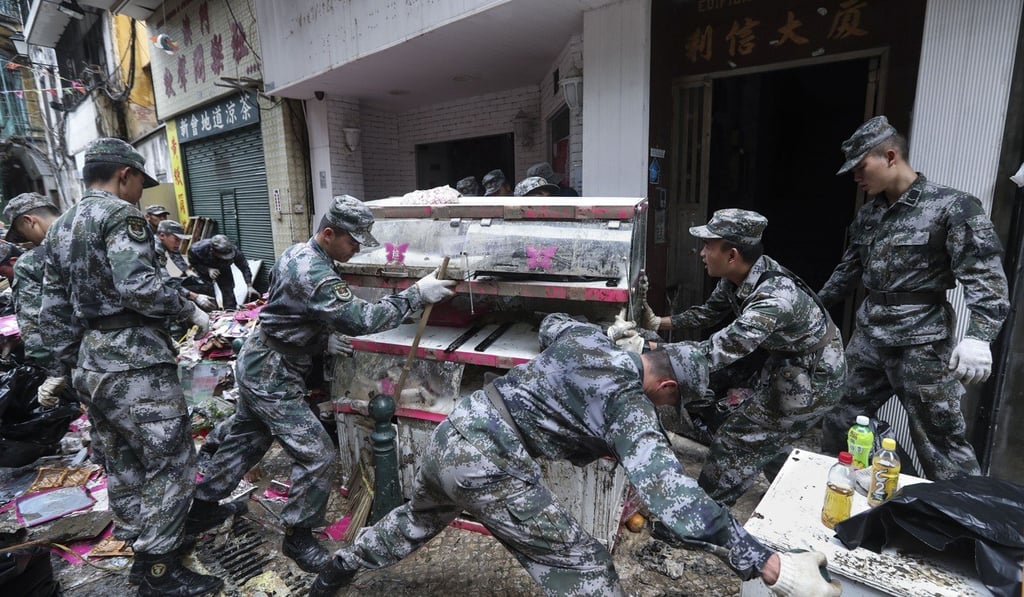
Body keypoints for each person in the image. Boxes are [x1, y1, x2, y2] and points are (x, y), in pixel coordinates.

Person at [310, 312, 840, 597]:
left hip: (455, 434)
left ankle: (340, 568)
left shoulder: (588, 340)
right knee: (586, 566)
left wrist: (615, 335)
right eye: (673, 406)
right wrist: (766, 563)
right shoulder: (631, 408)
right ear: (669, 387)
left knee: (416, 518)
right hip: (491, 464)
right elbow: (674, 497)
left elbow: (552, 323)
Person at [184, 195, 457, 573]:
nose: (358, 248)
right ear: (328, 234)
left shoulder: (299, 253)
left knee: (247, 438)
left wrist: (317, 337)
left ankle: (200, 508)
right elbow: (363, 319)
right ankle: (298, 537)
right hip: (272, 373)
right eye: (352, 241)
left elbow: (288, 310)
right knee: (317, 454)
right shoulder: (314, 272)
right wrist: (415, 294)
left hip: (264, 359)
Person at [38, 138, 215, 595]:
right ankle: (159, 569)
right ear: (123, 174)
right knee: (172, 461)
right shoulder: (121, 215)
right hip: (135, 362)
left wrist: (74, 365)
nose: (141, 192)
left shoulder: (60, 228)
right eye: (140, 181)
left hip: (92, 365)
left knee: (123, 460)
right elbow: (139, 287)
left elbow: (51, 313)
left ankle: (141, 547)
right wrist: (187, 308)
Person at [818, 116, 1009, 480]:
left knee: (940, 442)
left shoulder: (952, 207)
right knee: (840, 418)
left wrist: (979, 337)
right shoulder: (869, 215)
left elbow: (986, 279)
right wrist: (810, 310)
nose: (856, 178)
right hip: (870, 337)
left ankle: (966, 525)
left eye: (861, 168)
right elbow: (848, 270)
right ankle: (870, 496)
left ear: (890, 156)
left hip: (922, 343)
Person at [629, 209, 845, 506]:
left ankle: (701, 515)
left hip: (815, 375)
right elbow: (708, 314)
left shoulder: (773, 298)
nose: (701, 252)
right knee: (764, 433)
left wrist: (655, 355)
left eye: (708, 245)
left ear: (731, 254)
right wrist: (657, 324)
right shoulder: (736, 277)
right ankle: (800, 494)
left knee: (737, 439)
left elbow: (725, 347)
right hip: (786, 363)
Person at [4, 193, 64, 404]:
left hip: (78, 363)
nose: (29, 241)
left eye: (24, 233)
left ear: (30, 221)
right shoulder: (92, 237)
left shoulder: (31, 263)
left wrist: (56, 372)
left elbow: (32, 324)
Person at [155, 220, 216, 312]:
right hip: (143, 290)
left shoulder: (165, 243)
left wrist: (187, 270)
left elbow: (175, 253)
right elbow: (166, 281)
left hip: (154, 283)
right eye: (176, 239)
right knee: (175, 296)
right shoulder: (155, 249)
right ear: (162, 236)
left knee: (199, 283)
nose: (179, 244)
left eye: (180, 240)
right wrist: (194, 296)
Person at [188, 233, 257, 310]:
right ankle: (212, 313)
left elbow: (244, 267)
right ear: (213, 251)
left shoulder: (235, 251)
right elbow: (194, 263)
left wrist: (249, 286)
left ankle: (230, 311)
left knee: (228, 291)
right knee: (208, 293)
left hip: (224, 269)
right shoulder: (197, 249)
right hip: (205, 268)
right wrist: (207, 269)